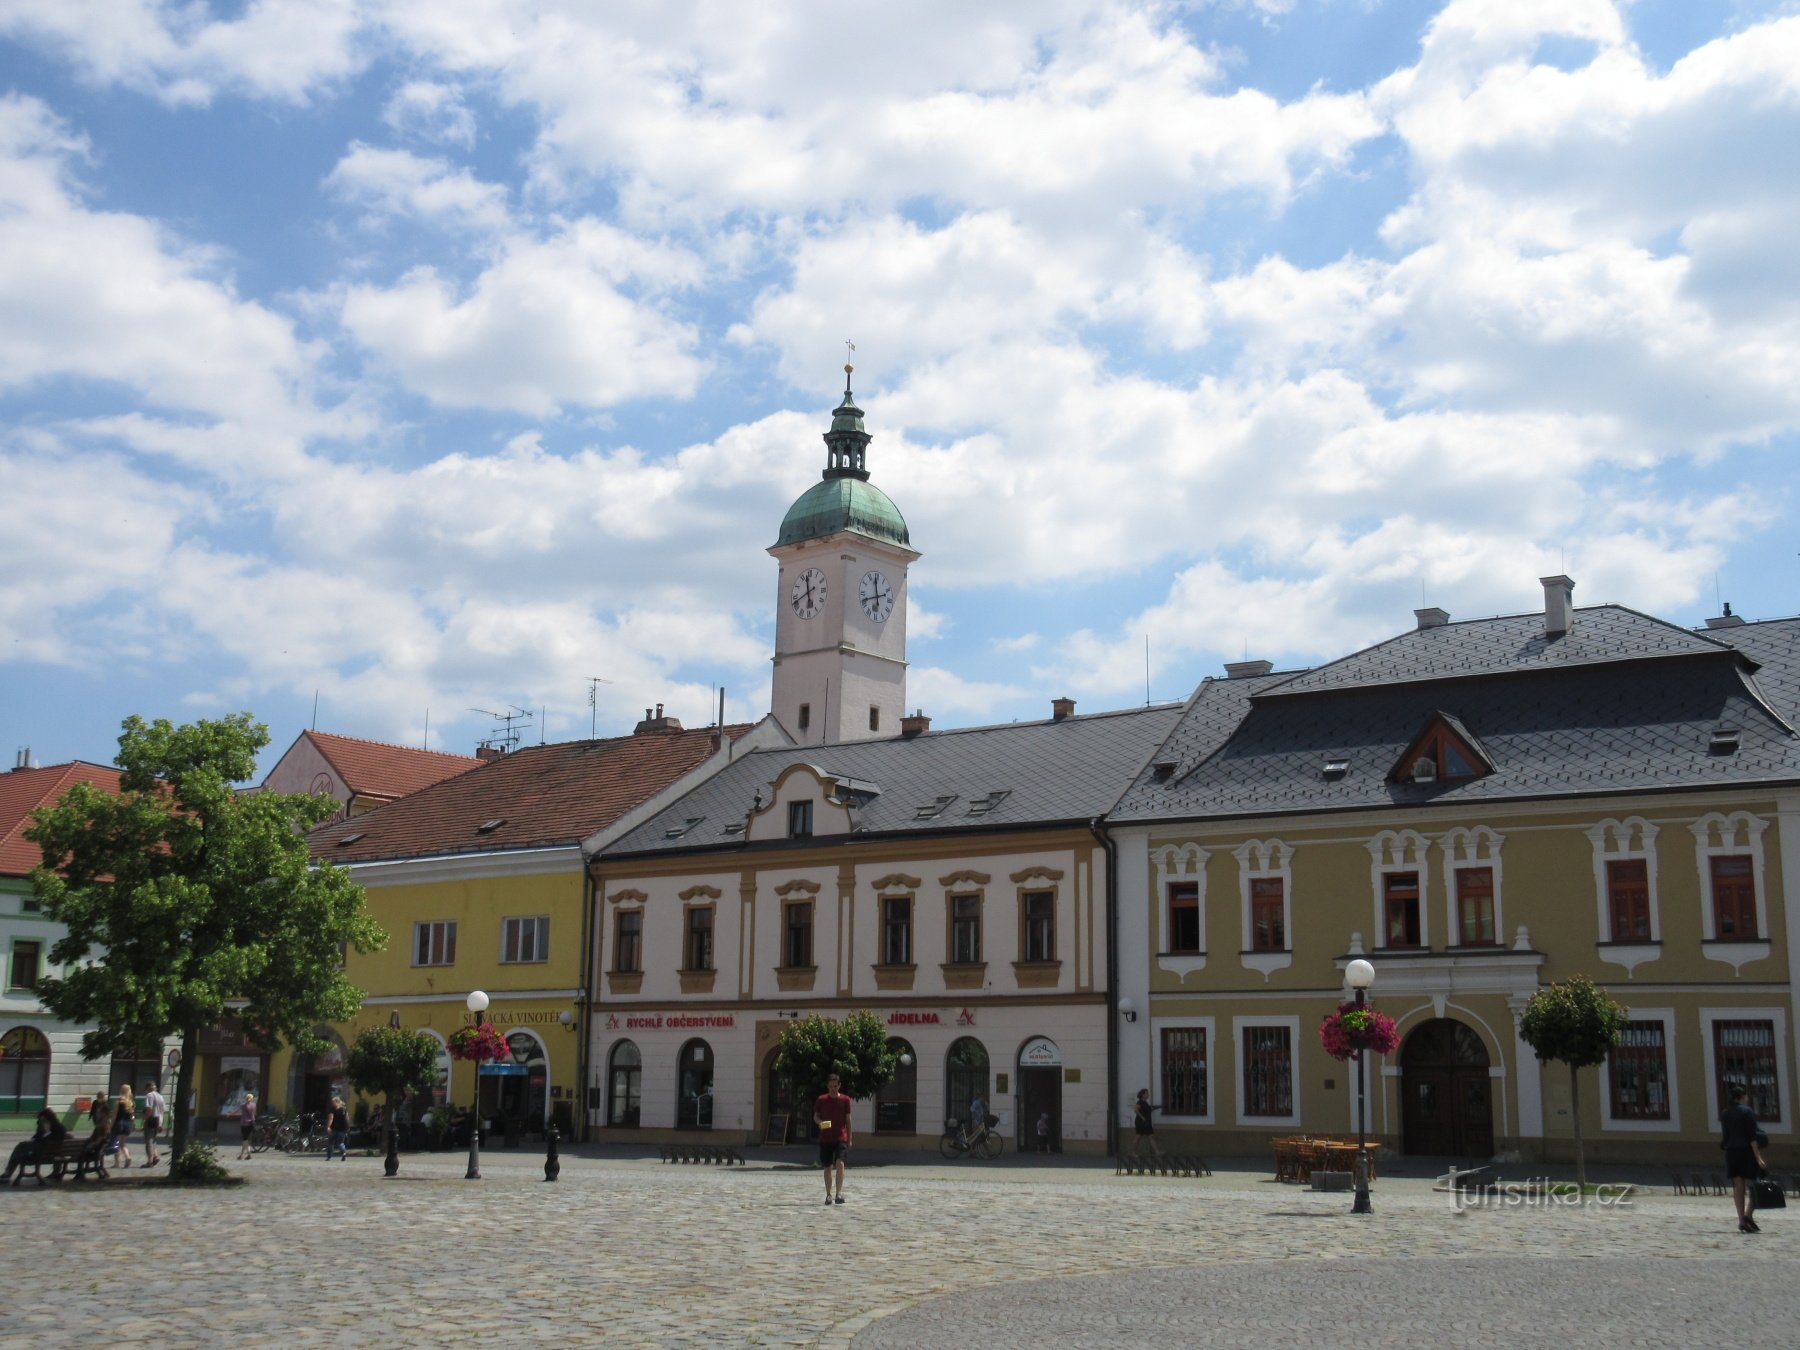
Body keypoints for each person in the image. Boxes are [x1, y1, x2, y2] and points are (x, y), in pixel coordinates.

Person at [1721, 1083, 1770, 1233]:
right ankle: (1748, 1215)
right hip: (1746, 1152)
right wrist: (1758, 1157)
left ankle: (1741, 1219)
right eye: (1746, 1096)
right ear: (1742, 1097)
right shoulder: (1747, 1112)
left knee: (1738, 1186)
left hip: (1731, 1152)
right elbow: (1752, 1136)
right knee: (1754, 1185)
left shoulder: (1726, 1113)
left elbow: (1726, 1136)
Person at [813, 1072, 853, 1205]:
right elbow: (816, 1116)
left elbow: (848, 1119)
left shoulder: (845, 1100)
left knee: (840, 1163)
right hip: (826, 1137)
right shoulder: (821, 1099)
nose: (833, 1089)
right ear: (827, 1086)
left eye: (835, 1086)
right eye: (831, 1086)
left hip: (841, 1135)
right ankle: (828, 1194)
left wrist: (850, 1138)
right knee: (827, 1166)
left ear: (839, 1086)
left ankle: (839, 1193)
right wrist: (819, 1123)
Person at [2, 1109, 67, 1183]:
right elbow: (37, 1137)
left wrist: (47, 1132)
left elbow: (48, 1141)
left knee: (18, 1151)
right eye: (41, 1120)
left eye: (43, 1120)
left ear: (48, 1119)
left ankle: (7, 1173)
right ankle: (7, 1173)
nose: (41, 1122)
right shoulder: (55, 1127)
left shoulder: (59, 1129)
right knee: (20, 1148)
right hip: (49, 1154)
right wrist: (32, 1139)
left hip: (41, 1155)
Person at [1126, 1088, 1162, 1159]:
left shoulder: (1145, 1103)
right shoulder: (1140, 1102)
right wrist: (1143, 1118)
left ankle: (1157, 1152)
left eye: (1147, 1093)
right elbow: (1136, 1110)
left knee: (1151, 1136)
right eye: (1146, 1093)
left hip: (1147, 1122)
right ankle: (1133, 1152)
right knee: (1138, 1136)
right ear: (1142, 1095)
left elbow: (1148, 1110)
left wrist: (1155, 1108)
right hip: (1141, 1122)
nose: (1148, 1095)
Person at [142, 1080, 168, 1167]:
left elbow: (149, 1109)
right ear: (155, 1087)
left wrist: (145, 1120)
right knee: (153, 1140)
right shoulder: (160, 1096)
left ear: (147, 1088)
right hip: (159, 1120)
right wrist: (161, 1123)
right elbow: (163, 1110)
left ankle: (150, 1161)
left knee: (148, 1140)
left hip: (151, 1119)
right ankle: (155, 1156)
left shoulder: (149, 1095)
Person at [111, 1085, 136, 1167]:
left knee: (116, 1143)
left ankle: (116, 1163)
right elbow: (132, 1116)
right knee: (122, 1143)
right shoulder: (131, 1102)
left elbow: (114, 1115)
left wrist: (111, 1125)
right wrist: (133, 1124)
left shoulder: (119, 1101)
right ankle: (127, 1157)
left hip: (119, 1123)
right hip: (128, 1124)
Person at [237, 1092, 258, 1161]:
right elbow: (254, 1113)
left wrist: (230, 1113)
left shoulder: (243, 1105)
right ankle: (243, 1155)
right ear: (252, 1099)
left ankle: (245, 1154)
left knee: (245, 1140)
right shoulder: (254, 1105)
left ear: (246, 1098)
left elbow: (237, 1111)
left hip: (244, 1123)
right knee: (247, 1140)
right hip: (251, 1123)